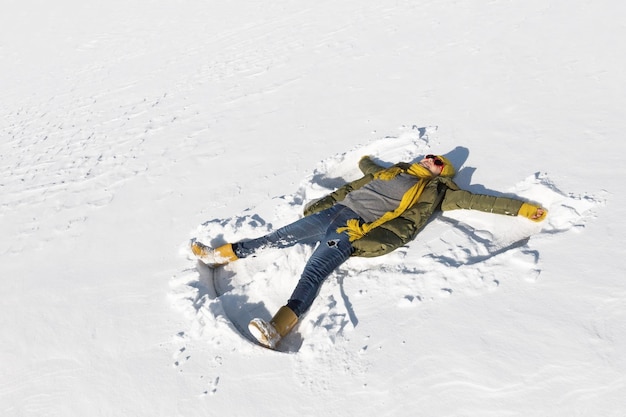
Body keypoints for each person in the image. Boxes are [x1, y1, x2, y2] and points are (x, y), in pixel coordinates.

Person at [191, 154, 547, 349]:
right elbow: (367, 170)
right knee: (279, 236)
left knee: (314, 273)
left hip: (352, 228)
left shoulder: (436, 191)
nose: (430, 158)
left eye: (437, 161)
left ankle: (278, 329)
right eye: (429, 155)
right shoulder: (396, 170)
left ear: (443, 173)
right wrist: (365, 162)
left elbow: (477, 199)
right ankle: (219, 255)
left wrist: (520, 209)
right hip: (334, 212)